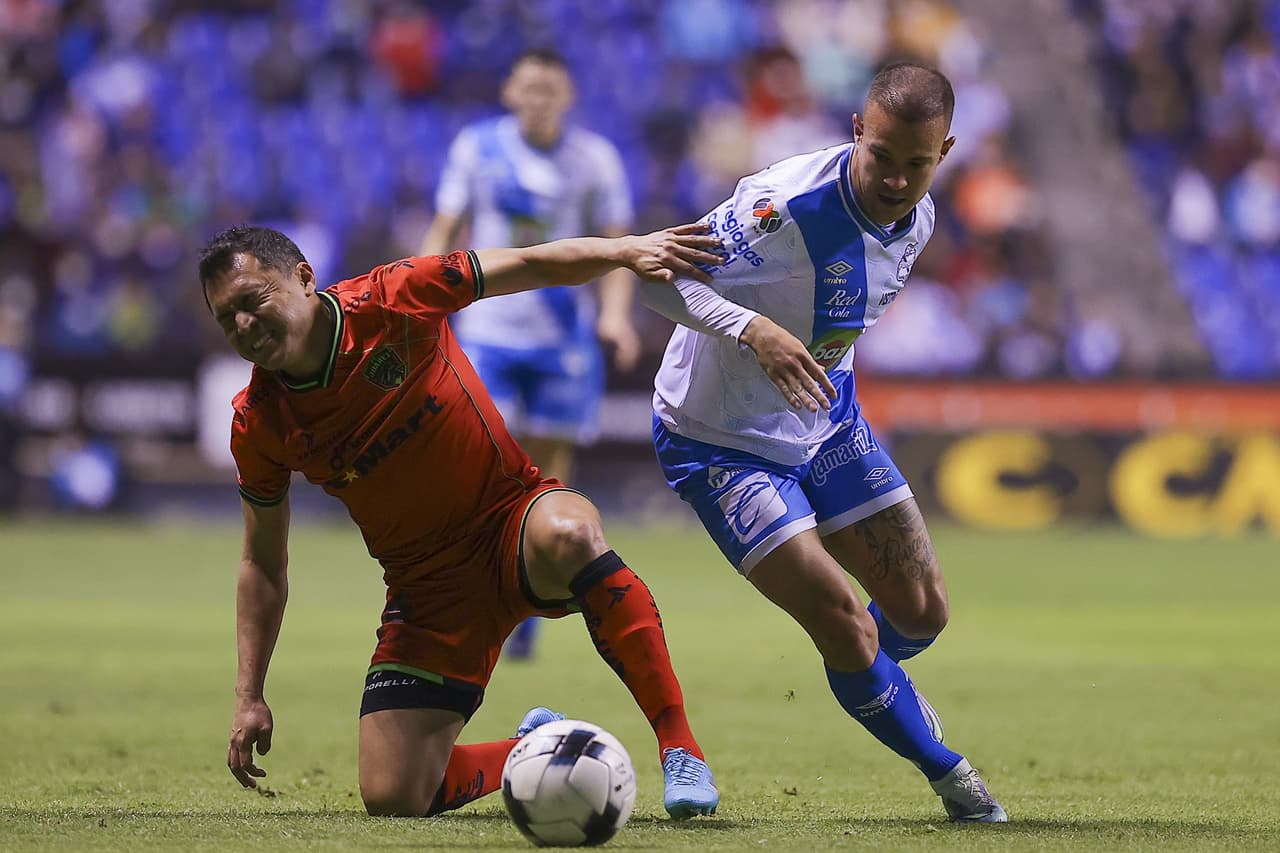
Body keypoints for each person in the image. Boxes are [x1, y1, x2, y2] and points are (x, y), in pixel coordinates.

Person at [203, 223, 724, 819]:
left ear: (302, 278)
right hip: (426, 595)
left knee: (573, 533)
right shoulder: (258, 423)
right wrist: (248, 696)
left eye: (252, 300)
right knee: (394, 794)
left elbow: (531, 264)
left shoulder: (392, 298)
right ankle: (540, 749)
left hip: (512, 522)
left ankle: (680, 748)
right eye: (226, 319)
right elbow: (262, 562)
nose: (244, 325)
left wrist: (624, 251)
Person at [639, 61, 1008, 822]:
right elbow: (652, 276)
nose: (897, 181)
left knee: (920, 612)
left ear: (945, 151)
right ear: (857, 131)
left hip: (826, 418)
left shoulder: (920, 217)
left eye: (917, 164)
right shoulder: (782, 206)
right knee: (842, 616)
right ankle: (953, 777)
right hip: (719, 440)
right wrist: (753, 328)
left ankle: (864, 672)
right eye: (883, 156)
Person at [420, 48, 640, 660]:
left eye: (551, 90)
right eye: (529, 88)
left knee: (549, 478)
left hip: (563, 337)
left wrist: (615, 316)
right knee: (482, 465)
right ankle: (477, 590)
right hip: (489, 329)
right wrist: (418, 297)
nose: (539, 100)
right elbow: (444, 229)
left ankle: (531, 602)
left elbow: (619, 247)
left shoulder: (595, 159)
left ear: (568, 98)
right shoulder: (477, 148)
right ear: (509, 93)